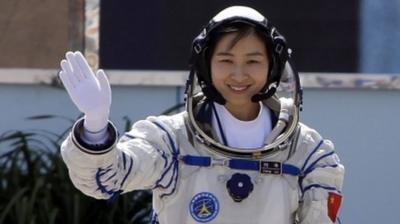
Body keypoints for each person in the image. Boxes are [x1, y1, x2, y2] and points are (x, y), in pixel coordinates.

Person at [59, 6, 344, 224]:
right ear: (206, 66)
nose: (239, 74)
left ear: (273, 67)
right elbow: (103, 179)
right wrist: (95, 127)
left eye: (253, 61)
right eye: (226, 60)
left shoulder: (307, 152)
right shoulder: (172, 141)